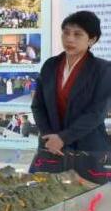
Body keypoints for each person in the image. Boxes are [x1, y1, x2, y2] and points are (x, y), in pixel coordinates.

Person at [30, 11, 111, 182]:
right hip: (51, 147)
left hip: (87, 148)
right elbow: (38, 105)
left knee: (88, 197)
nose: (69, 39)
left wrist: (63, 138)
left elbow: (97, 113)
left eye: (77, 34)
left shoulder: (103, 70)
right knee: (46, 193)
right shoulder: (50, 65)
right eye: (66, 33)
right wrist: (49, 136)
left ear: (92, 40)